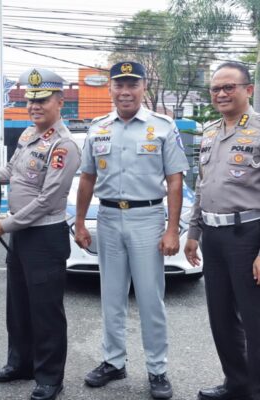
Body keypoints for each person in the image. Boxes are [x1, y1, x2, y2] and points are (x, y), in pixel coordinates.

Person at [74, 61, 189, 399]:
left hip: (147, 219)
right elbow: (87, 179)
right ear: (110, 89)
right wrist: (80, 222)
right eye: (119, 85)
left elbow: (175, 181)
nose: (125, 91)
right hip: (108, 218)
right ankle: (113, 361)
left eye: (132, 85)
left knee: (151, 298)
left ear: (143, 89)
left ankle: (157, 369)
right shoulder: (97, 128)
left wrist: (171, 230)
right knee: (111, 295)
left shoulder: (163, 127)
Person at [0, 68, 80, 400]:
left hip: (45, 237)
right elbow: (9, 172)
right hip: (22, 236)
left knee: (46, 310)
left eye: (42, 100)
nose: (34, 106)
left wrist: (6, 224)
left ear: (60, 102)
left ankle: (49, 377)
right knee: (18, 305)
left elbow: (48, 201)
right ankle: (20, 363)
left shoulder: (64, 146)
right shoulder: (29, 136)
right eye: (31, 100)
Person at [184, 62, 260, 400]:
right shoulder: (211, 131)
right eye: (216, 88)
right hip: (214, 238)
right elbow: (203, 185)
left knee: (259, 324)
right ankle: (237, 383)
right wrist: (193, 231)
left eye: (229, 87)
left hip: (250, 237)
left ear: (248, 89)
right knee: (221, 319)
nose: (221, 93)